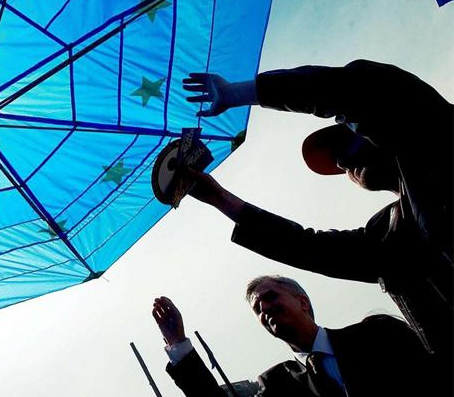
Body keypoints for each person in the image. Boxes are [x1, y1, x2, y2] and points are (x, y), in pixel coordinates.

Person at [174, 59, 452, 375]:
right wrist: (220, 199)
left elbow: (366, 90)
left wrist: (239, 93)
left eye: (347, 140)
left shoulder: (437, 137)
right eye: (338, 163)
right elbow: (310, 247)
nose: (343, 164)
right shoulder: (389, 235)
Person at [152, 275, 437, 396]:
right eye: (257, 309)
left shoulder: (376, 334)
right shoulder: (278, 384)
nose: (265, 308)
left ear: (303, 302)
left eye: (271, 297)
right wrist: (179, 345)